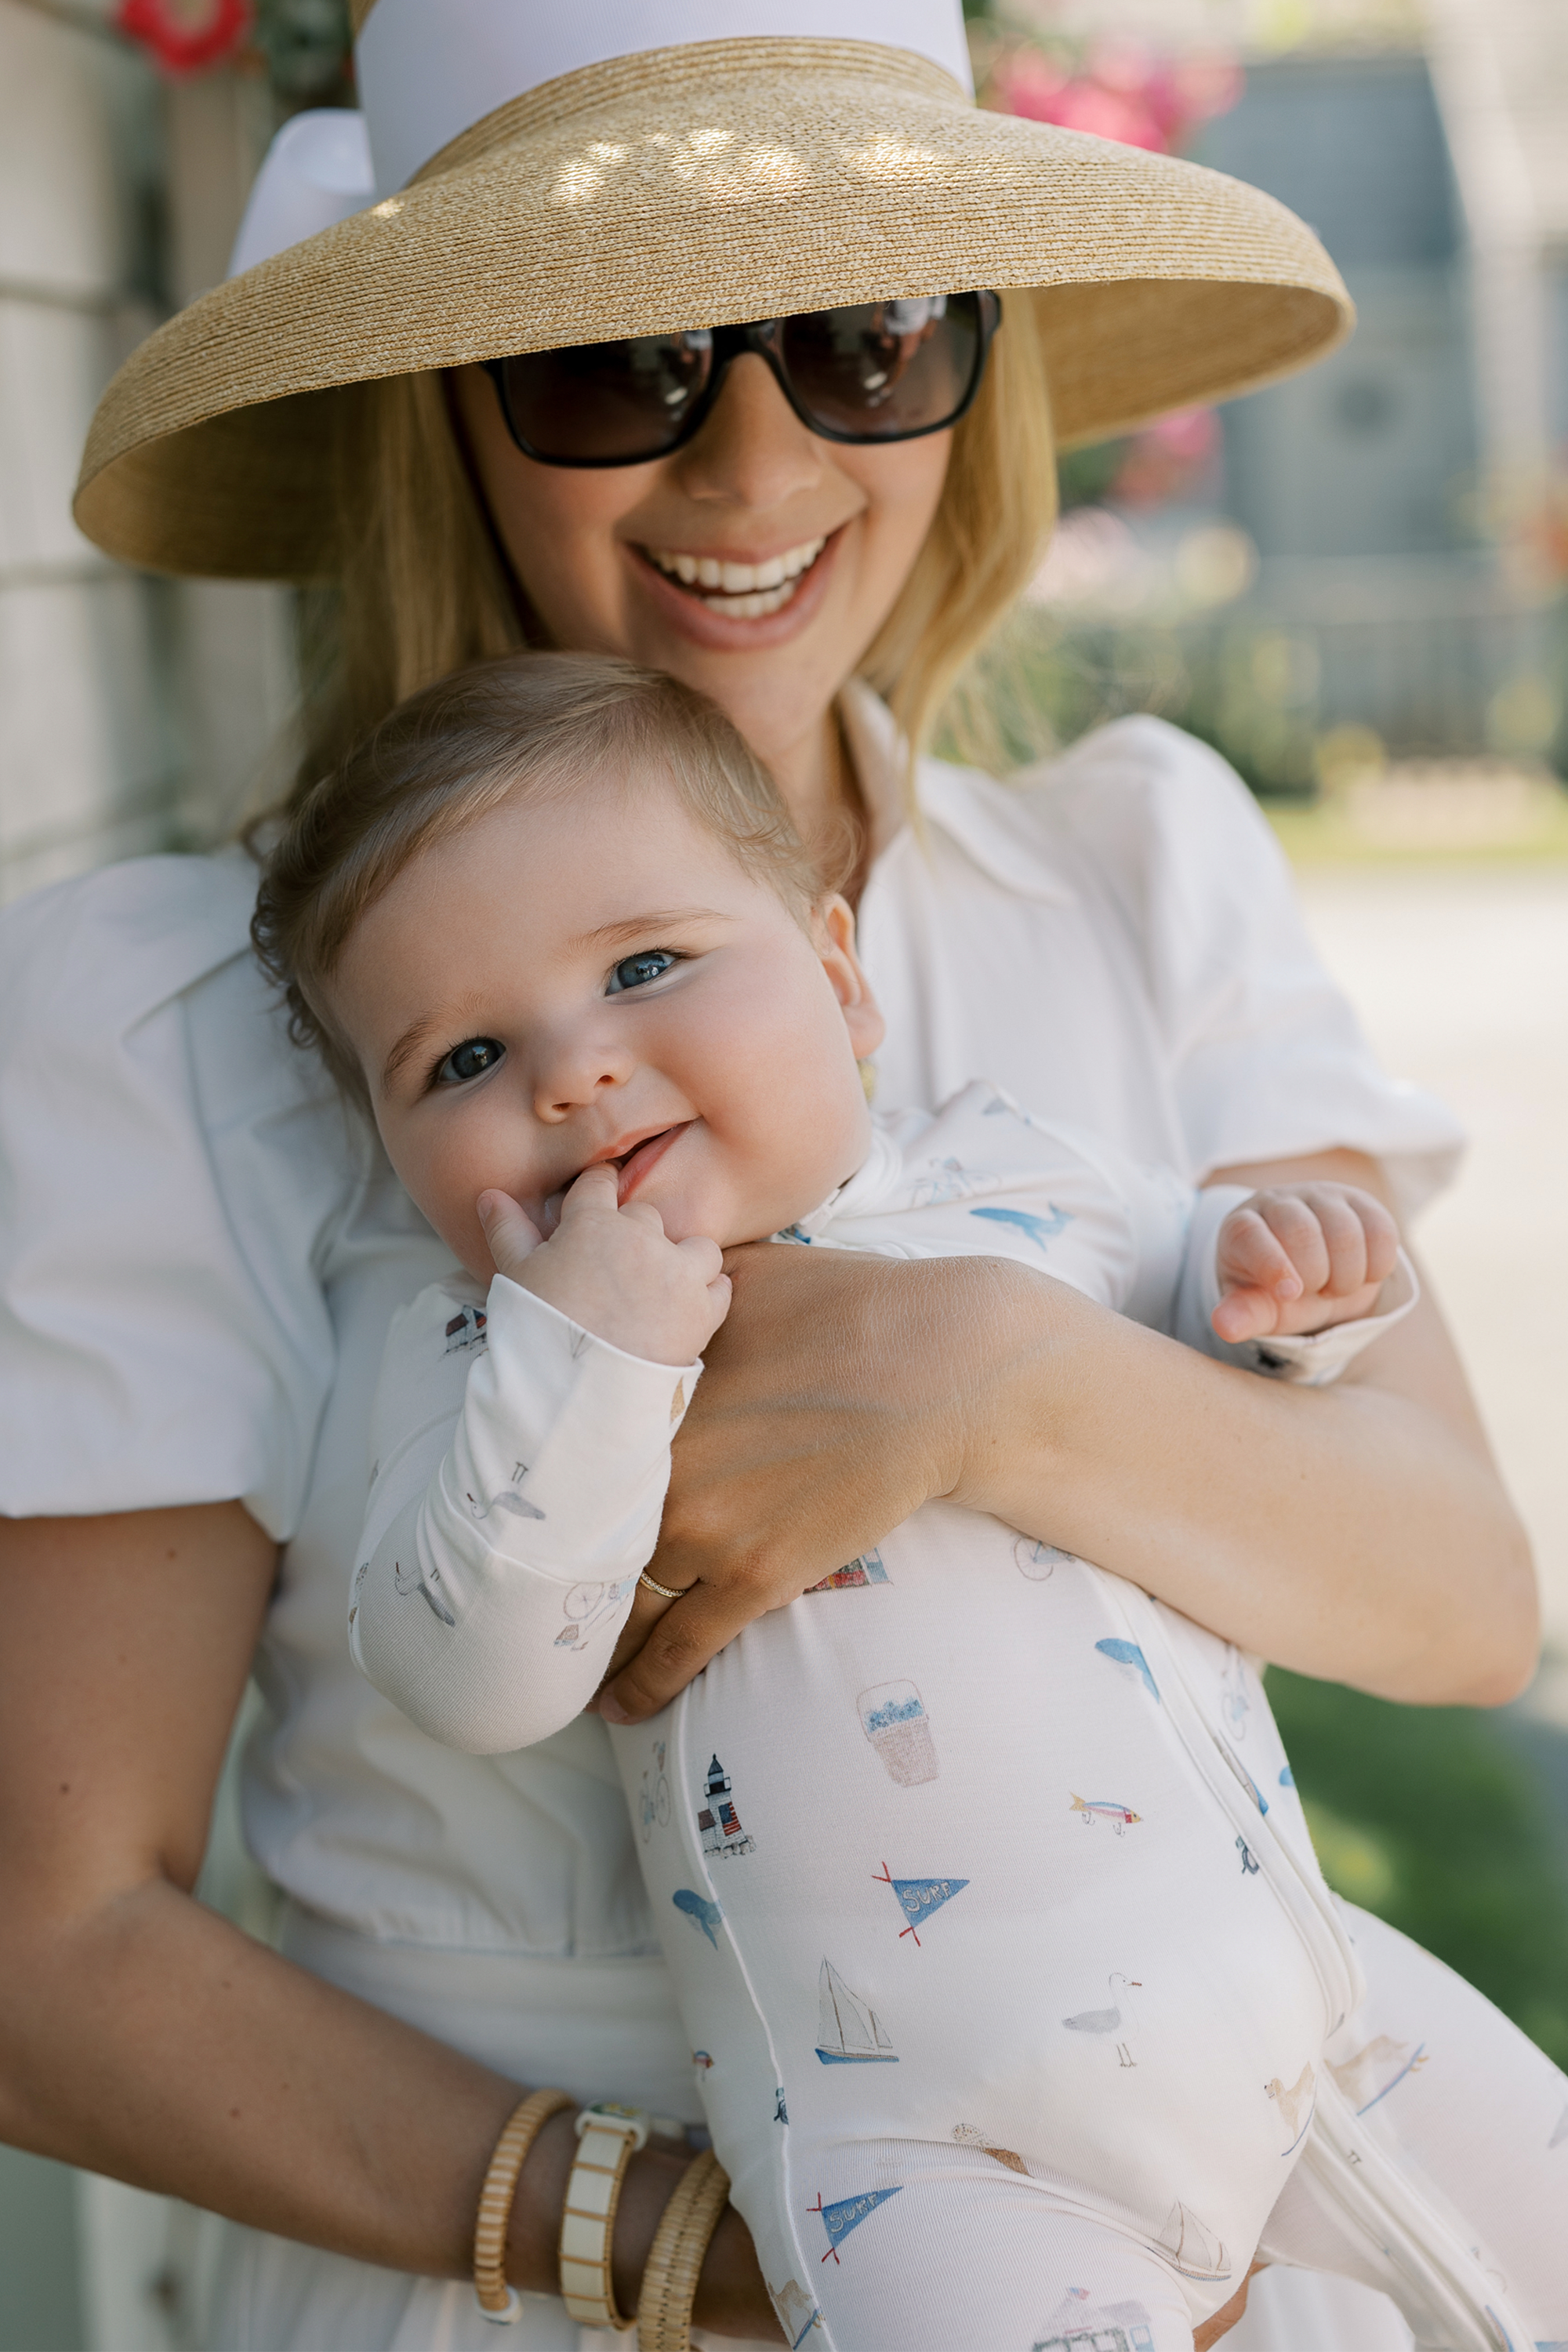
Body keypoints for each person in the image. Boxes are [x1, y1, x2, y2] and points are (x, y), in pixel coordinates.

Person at [0, 5, 1537, 2349]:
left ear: (975, 371)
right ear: (450, 408)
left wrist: (990, 1372)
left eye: (865, 337)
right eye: (623, 365)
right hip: (523, 2269)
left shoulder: (1129, 864)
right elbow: (46, 1940)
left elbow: (1457, 1604)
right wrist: (697, 2242)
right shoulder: (172, 1015)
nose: (756, 461)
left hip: (1223, 2143)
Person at [255, 648, 1564, 2352]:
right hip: (930, 2168)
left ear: (836, 975)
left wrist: (1296, 1296)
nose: (571, 1074)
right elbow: (476, 1677)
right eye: (463, 1060)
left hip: (1303, 1999)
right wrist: (585, 1362)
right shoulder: (494, 1366)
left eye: (645, 965)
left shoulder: (1019, 1175)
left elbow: (1221, 1372)